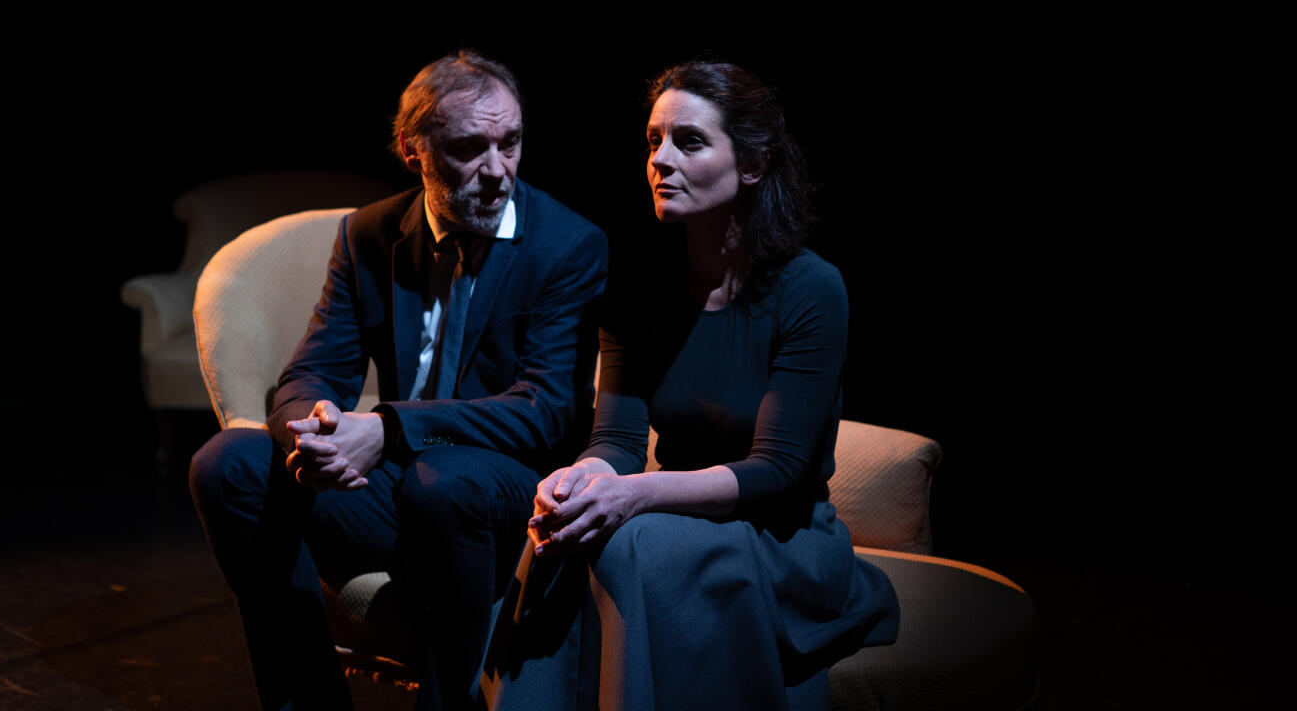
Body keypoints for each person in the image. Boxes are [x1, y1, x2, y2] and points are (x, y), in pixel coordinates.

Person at [189, 51, 608, 711]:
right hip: (398, 486)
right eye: (469, 148)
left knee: (442, 484)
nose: (497, 169)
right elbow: (312, 371)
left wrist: (386, 429)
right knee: (227, 465)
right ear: (414, 151)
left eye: (510, 143)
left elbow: (543, 411)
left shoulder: (568, 244)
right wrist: (316, 432)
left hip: (506, 491)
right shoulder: (369, 234)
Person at [491, 60, 898, 711]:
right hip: (672, 515)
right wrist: (579, 480)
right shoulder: (635, 288)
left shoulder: (810, 289)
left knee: (631, 539)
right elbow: (618, 442)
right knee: (559, 534)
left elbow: (777, 472)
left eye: (689, 141)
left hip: (779, 537)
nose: (660, 160)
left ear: (753, 165)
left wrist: (633, 496)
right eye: (653, 140)